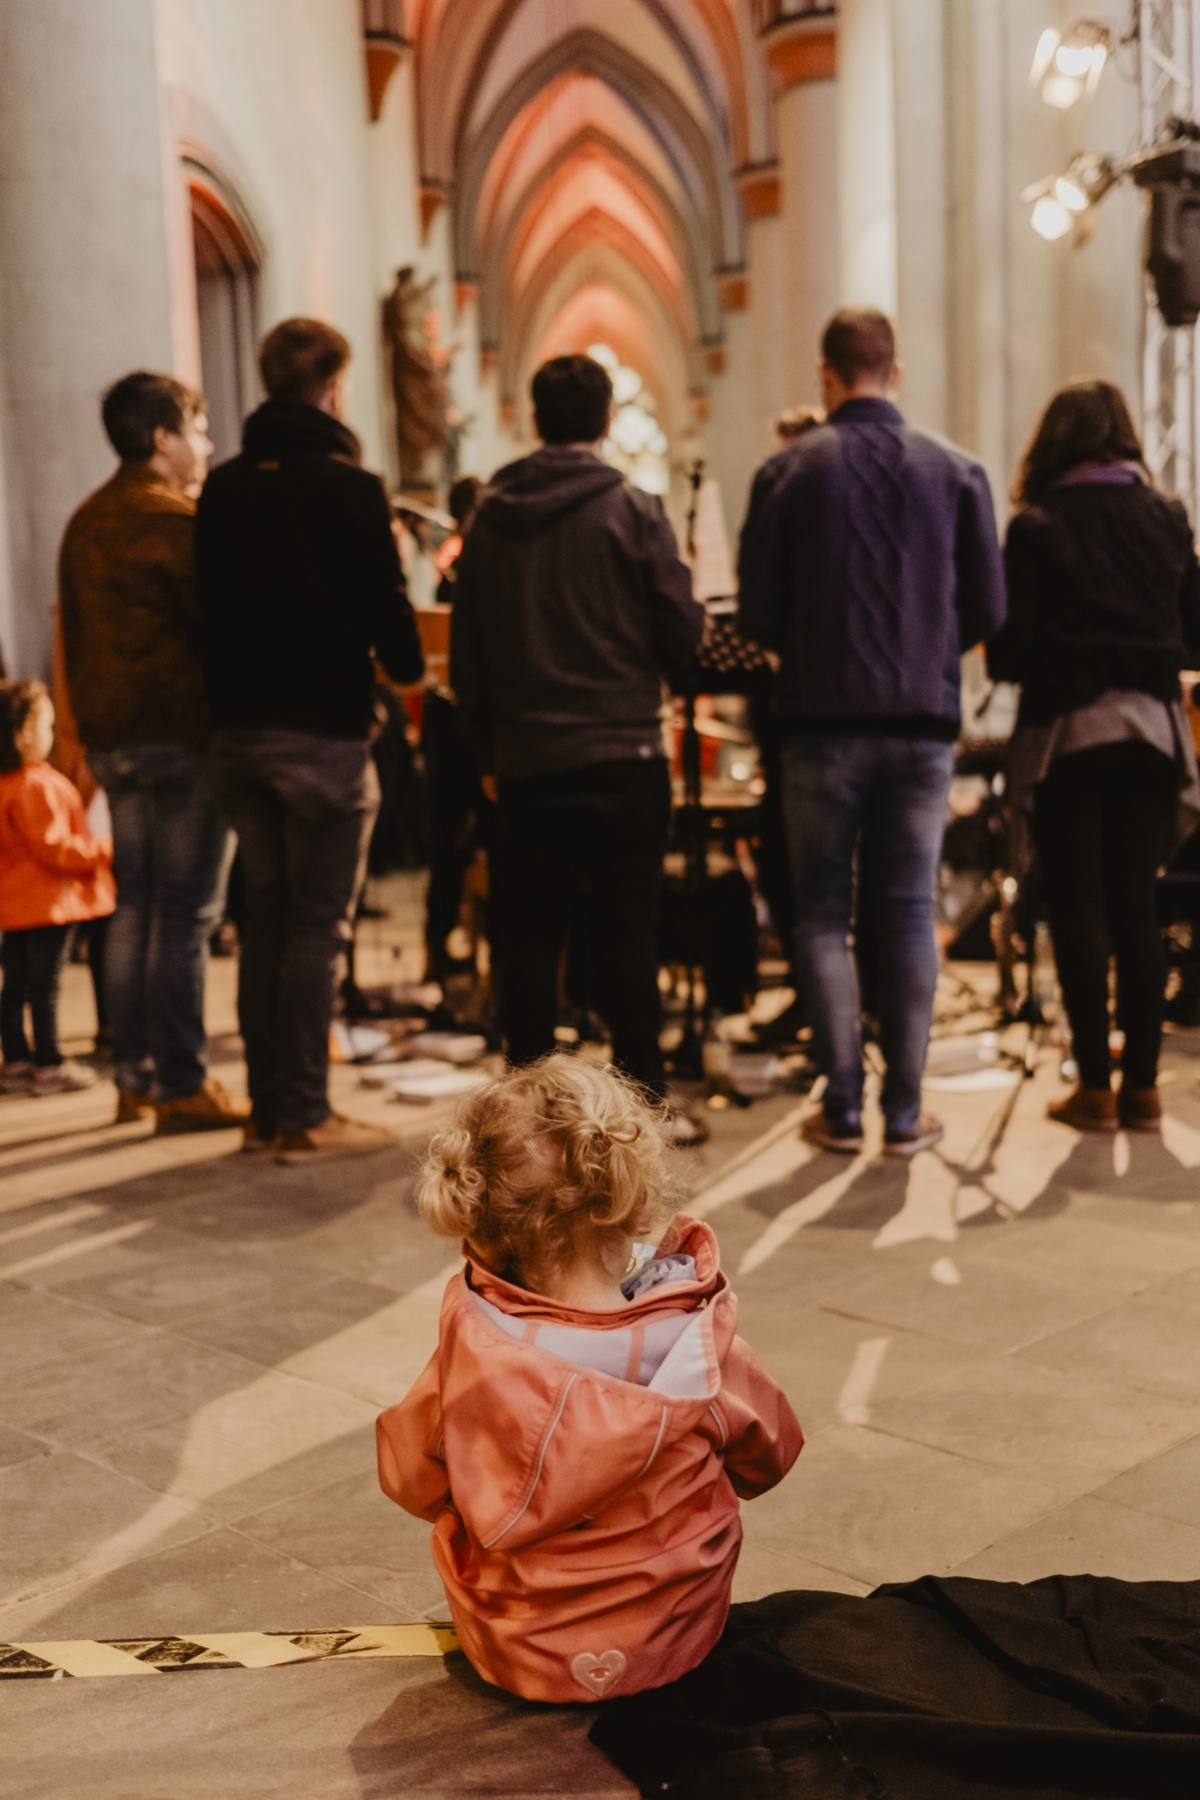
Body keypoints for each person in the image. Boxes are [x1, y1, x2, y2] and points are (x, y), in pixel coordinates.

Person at [377, 1056, 802, 1704]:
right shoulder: (693, 1341)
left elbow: (410, 1478)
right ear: (626, 1194)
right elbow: (771, 1455)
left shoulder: (477, 1347)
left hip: (516, 1649)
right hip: (675, 1635)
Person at [739, 309, 1007, 1156]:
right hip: (922, 727)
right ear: (895, 370)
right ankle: (904, 1111)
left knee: (820, 915)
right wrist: (925, 648)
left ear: (826, 375)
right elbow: (993, 610)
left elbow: (754, 612)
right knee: (905, 909)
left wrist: (819, 648)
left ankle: (844, 1103)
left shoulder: (787, 470)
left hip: (817, 724)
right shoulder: (958, 471)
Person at [451, 355, 705, 1132]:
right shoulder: (635, 510)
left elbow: (469, 657)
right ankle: (642, 1112)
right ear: (602, 423)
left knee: (528, 945)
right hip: (624, 757)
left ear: (536, 419)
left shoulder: (491, 519)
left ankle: (523, 1123)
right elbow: (682, 636)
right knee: (628, 934)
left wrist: (489, 758)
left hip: (529, 764)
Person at [196, 318, 424, 1162]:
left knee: (266, 918)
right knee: (315, 930)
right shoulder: (350, 488)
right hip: (321, 735)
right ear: (333, 388)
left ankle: (265, 1109)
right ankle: (303, 1114)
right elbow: (390, 623)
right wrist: (401, 669)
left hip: (237, 733)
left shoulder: (220, 488)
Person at [988, 380, 1200, 1132]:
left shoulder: (1037, 526)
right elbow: (1195, 631)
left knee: (1078, 912)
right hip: (1150, 735)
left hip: (1072, 740)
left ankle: (1096, 1090)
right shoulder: (1166, 517)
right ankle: (1144, 1088)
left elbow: (1010, 653)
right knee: (1137, 906)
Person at [59, 372, 246, 1133]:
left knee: (132, 906)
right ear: (163, 438)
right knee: (184, 915)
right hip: (177, 738)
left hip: (112, 740)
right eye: (197, 430)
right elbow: (220, 627)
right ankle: (179, 1081)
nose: (204, 445)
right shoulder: (171, 520)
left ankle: (133, 1075)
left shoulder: (86, 520)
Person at [0, 681, 115, 1094]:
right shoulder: (37, 786)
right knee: (45, 987)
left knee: (15, 986)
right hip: (48, 905)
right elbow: (55, 848)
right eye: (48, 726)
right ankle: (49, 1063)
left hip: (12, 907)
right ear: (26, 732)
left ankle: (15, 1058)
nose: (52, 736)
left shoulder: (6, 784)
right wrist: (102, 850)